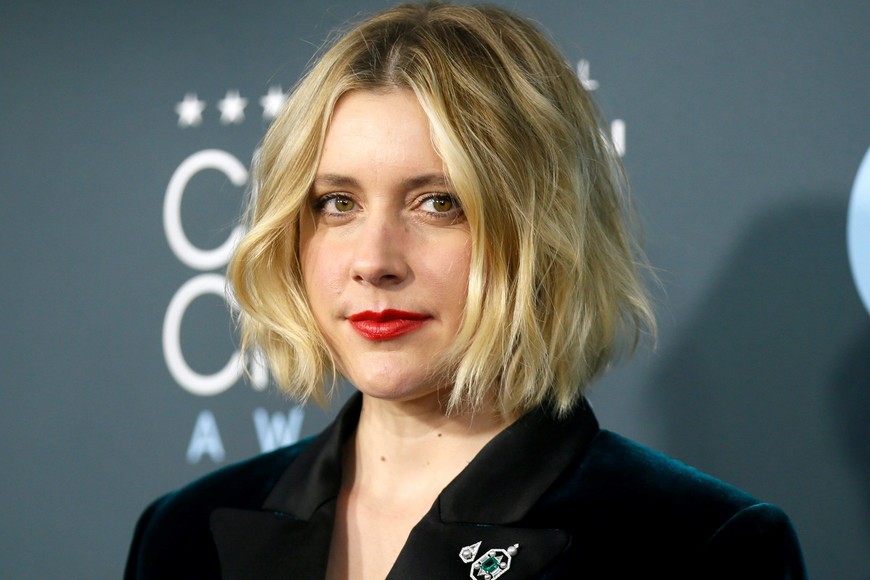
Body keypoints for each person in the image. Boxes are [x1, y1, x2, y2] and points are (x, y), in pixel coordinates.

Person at [125, 2, 806, 578]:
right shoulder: (181, 534)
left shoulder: (703, 548)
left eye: (438, 203)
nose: (374, 261)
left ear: (540, 230)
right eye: (338, 203)